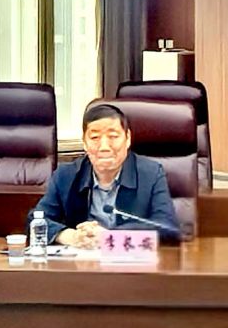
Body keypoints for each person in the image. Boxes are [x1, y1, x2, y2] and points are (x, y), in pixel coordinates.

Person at [30, 102, 179, 248]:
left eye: (113, 136)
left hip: (128, 260)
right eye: (95, 138)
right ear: (84, 143)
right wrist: (70, 236)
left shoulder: (151, 174)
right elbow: (35, 220)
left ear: (127, 138)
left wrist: (110, 237)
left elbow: (168, 228)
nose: (104, 147)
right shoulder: (65, 176)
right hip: (82, 261)